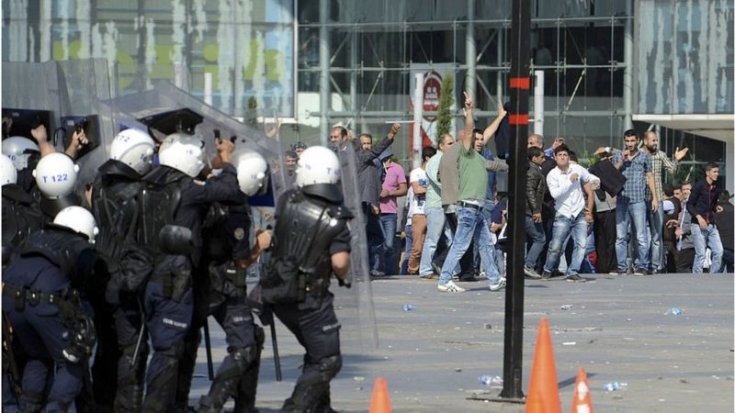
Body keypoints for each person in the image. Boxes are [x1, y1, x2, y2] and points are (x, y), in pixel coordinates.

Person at [137, 133, 241, 412]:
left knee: (172, 347)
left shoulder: (148, 184)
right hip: (175, 278)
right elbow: (230, 190)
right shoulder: (187, 188)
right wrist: (227, 160)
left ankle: (175, 405)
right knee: (169, 351)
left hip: (151, 274)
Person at [258, 146, 353, 412]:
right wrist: (342, 274)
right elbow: (340, 262)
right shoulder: (336, 215)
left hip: (277, 292)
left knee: (315, 351)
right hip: (312, 297)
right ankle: (295, 407)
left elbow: (274, 235)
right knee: (328, 358)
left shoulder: (287, 200)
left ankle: (322, 407)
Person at [2, 206, 98, 413]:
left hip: (9, 300)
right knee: (70, 360)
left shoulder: (35, 236)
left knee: (37, 353)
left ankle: (28, 407)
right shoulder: (81, 248)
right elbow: (81, 294)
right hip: (45, 304)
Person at [197, 151, 272, 413]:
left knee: (253, 335)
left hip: (203, 280)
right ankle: (212, 403)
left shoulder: (214, 193)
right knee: (244, 345)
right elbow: (242, 261)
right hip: (222, 285)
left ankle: (245, 404)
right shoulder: (236, 209)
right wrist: (260, 246)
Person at [89, 128, 156, 412]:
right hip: (126, 278)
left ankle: (101, 402)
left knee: (106, 347)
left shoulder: (100, 184)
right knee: (133, 349)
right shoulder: (140, 194)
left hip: (100, 273)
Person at [437, 92, 504, 293]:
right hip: (468, 208)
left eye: (482, 139)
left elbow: (496, 165)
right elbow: (469, 130)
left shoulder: (481, 159)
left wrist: (516, 165)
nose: (482, 141)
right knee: (460, 245)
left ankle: (494, 279)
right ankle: (444, 279)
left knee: (485, 245)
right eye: (477, 139)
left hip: (477, 210)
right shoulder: (465, 154)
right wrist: (469, 110)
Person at [541, 144, 595, 281]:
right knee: (556, 245)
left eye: (565, 155)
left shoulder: (577, 168)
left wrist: (596, 182)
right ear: (555, 157)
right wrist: (569, 181)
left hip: (579, 212)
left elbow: (589, 179)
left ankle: (573, 271)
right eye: (559, 155)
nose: (562, 158)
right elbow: (555, 194)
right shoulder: (552, 175)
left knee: (581, 244)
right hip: (563, 213)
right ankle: (548, 269)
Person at [641, 131, 688, 273]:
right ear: (645, 141)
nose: (655, 143)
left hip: (658, 200)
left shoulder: (660, 155)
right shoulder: (638, 155)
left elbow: (672, 171)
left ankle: (655, 266)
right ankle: (641, 264)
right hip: (640, 198)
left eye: (656, 140)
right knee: (640, 234)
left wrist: (676, 159)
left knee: (656, 234)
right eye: (653, 140)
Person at [612, 130, 657, 275]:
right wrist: (621, 161)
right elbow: (612, 173)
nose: (630, 144)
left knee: (641, 235)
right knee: (621, 236)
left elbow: (650, 177)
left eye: (632, 141)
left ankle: (642, 265)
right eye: (627, 141)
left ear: (637, 141)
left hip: (638, 200)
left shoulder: (644, 157)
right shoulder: (619, 156)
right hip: (622, 200)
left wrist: (655, 197)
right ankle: (622, 266)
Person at [418, 133, 455, 279]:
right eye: (450, 144)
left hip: (445, 204)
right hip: (436, 205)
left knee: (452, 239)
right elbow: (437, 180)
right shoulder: (436, 160)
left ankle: (448, 268)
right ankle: (425, 269)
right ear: (441, 146)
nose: (453, 146)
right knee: (433, 239)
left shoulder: (446, 159)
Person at [686, 162, 723, 273]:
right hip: (698, 225)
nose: (717, 174)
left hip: (711, 224)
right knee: (701, 254)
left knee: (719, 251)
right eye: (714, 172)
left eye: (718, 172)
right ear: (708, 173)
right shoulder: (699, 185)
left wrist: (716, 207)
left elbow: (712, 205)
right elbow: (689, 204)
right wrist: (698, 217)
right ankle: (697, 279)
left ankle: (713, 277)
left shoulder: (716, 188)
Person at [376, 149, 407, 275]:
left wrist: (390, 193)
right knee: (377, 243)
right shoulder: (374, 167)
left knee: (389, 244)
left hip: (390, 213)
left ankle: (388, 270)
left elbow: (404, 189)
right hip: (375, 212)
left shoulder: (397, 168)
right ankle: (377, 268)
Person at [407, 146, 436, 275]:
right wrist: (432, 190)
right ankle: (412, 270)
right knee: (417, 247)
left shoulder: (435, 173)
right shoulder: (416, 173)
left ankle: (427, 270)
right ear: (427, 158)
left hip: (433, 210)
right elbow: (417, 190)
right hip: (419, 212)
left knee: (431, 245)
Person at [524, 146, 546, 278]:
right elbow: (530, 191)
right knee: (540, 238)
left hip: (527, 211)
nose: (544, 159)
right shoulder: (533, 171)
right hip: (529, 212)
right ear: (534, 158)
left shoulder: (534, 170)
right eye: (541, 157)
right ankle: (528, 265)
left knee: (528, 239)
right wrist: (536, 210)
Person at [715, 191, 733, 272]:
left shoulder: (716, 211)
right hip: (732, 247)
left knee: (718, 272)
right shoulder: (733, 209)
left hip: (720, 246)